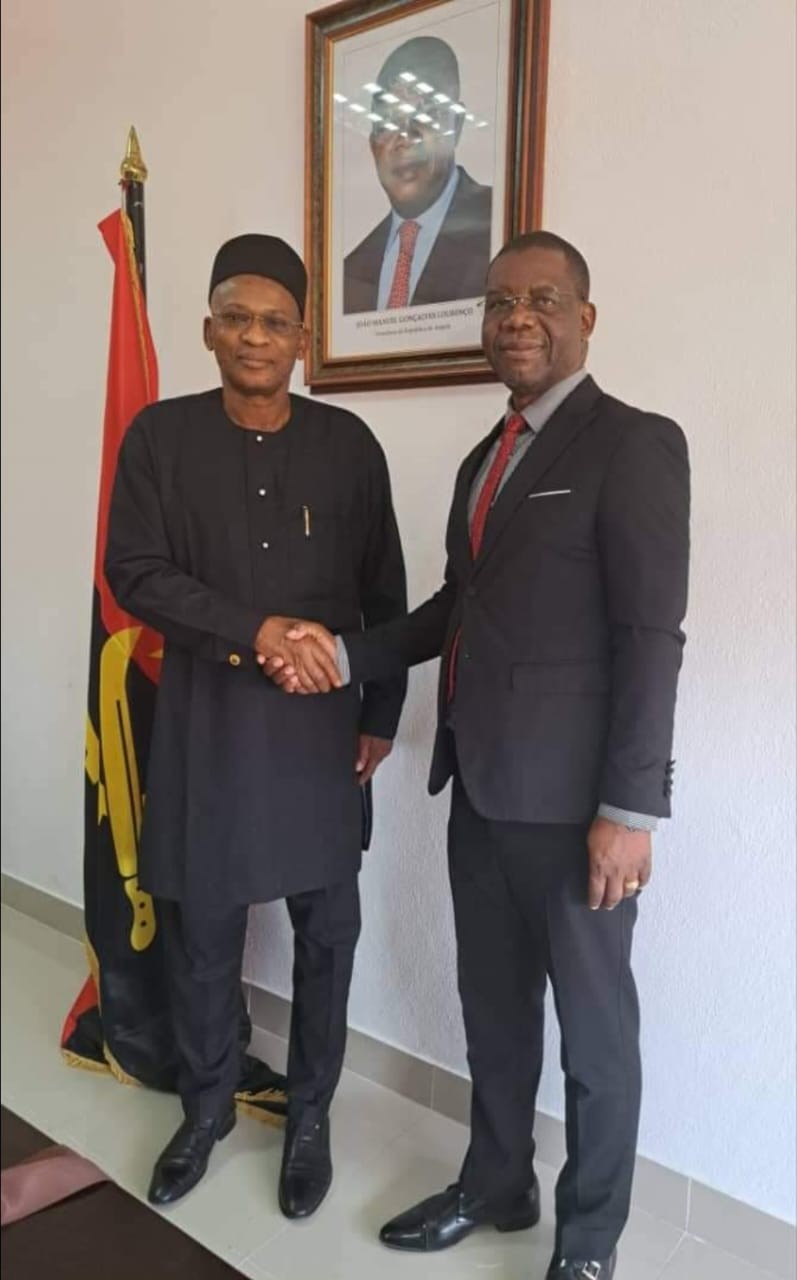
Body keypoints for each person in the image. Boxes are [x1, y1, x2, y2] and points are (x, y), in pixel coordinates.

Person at [265, 230, 690, 1280]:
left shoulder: (632, 444)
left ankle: (586, 1243)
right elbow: (456, 608)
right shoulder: (482, 461)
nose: (516, 318)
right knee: (493, 1015)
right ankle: (497, 1182)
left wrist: (629, 811)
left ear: (584, 318)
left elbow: (650, 636)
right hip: (483, 791)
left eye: (540, 299)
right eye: (499, 302)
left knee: (593, 1037)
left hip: (579, 810)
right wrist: (345, 653)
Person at [104, 234, 407, 1215]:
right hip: (208, 725)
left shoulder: (347, 445)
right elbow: (135, 571)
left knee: (327, 935)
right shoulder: (160, 436)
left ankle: (308, 1116)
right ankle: (205, 1110)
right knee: (203, 936)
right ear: (207, 330)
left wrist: (380, 714)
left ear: (302, 339)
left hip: (321, 735)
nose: (254, 336)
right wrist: (254, 630)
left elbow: (384, 594)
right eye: (235, 317)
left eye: (275, 322)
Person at [343, 35, 492, 314]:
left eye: (424, 117)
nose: (404, 138)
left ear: (456, 125)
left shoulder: (497, 225)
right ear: (373, 144)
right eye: (387, 123)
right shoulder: (350, 271)